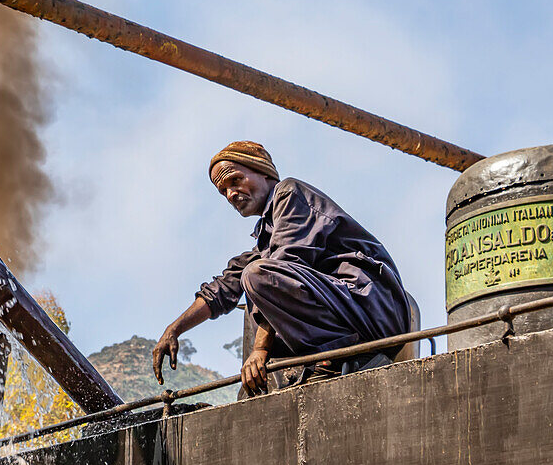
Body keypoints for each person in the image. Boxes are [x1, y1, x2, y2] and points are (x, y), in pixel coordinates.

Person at [152, 140, 409, 398]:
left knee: (256, 276)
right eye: (223, 191)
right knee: (251, 276)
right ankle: (311, 366)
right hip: (352, 311)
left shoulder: (289, 193)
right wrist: (174, 329)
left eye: (235, 180)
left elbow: (282, 267)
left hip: (371, 308)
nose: (230, 194)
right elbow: (223, 288)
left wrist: (260, 350)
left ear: (264, 172)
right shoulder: (266, 239)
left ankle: (333, 361)